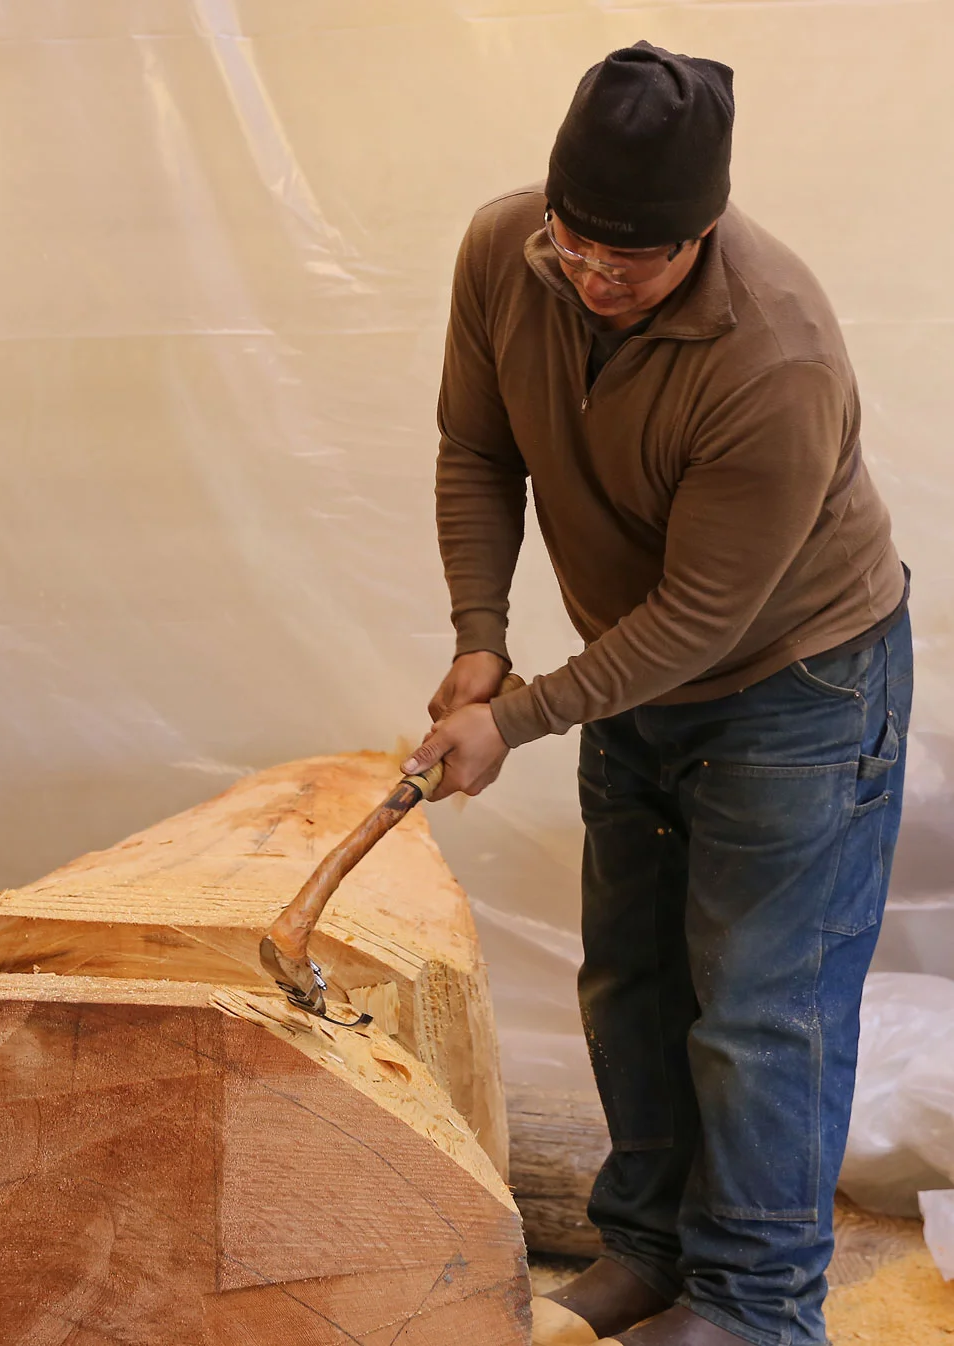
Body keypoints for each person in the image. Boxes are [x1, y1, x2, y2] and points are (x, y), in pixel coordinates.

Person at [405, 42, 911, 1346]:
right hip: (635, 673)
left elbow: (702, 617)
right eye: (578, 241)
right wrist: (479, 636)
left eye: (633, 258)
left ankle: (755, 1303)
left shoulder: (776, 354)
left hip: (795, 680)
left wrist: (512, 718)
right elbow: (477, 446)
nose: (594, 275)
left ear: (703, 229)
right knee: (630, 974)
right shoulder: (505, 251)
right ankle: (652, 1251)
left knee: (757, 1002)